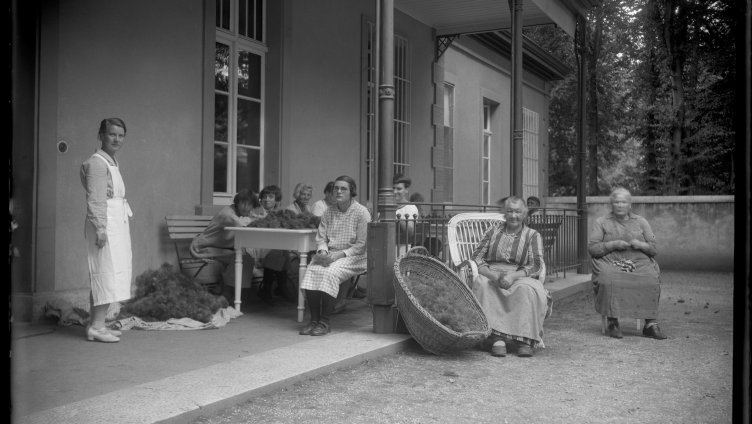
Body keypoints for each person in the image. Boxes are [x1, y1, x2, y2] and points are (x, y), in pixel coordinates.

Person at [470, 196, 552, 358]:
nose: (514, 216)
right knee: (483, 285)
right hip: (492, 271)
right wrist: (493, 276)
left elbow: (536, 264)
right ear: (504, 213)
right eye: (510, 211)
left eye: (518, 212)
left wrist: (513, 276)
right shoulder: (492, 231)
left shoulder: (532, 235)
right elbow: (477, 258)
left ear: (525, 213)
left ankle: (525, 340)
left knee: (528, 289)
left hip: (520, 274)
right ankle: (496, 339)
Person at [588, 187, 666, 340]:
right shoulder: (602, 222)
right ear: (612, 204)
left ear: (630, 205)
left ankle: (650, 324)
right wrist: (613, 244)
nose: (620, 205)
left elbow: (654, 248)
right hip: (610, 259)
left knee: (650, 278)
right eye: (616, 202)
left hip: (638, 259)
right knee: (609, 278)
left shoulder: (641, 221)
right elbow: (593, 249)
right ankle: (613, 322)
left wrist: (641, 245)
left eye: (624, 202)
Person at [80, 118, 133, 343]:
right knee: (103, 272)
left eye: (121, 135)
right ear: (101, 134)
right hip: (104, 223)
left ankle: (97, 324)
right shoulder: (96, 163)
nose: (117, 139)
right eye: (112, 134)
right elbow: (96, 199)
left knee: (109, 274)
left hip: (115, 221)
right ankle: (97, 327)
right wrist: (100, 228)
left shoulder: (111, 162)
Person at [298, 176, 370, 336]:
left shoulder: (361, 212)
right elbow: (322, 238)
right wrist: (323, 251)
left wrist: (338, 255)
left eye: (343, 188)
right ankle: (314, 321)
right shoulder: (329, 211)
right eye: (336, 188)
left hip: (355, 256)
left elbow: (361, 245)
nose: (338, 191)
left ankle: (324, 322)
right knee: (312, 270)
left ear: (352, 191)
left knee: (330, 273)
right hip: (331, 253)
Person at [190, 190, 260, 296]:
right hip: (202, 248)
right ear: (237, 203)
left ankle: (224, 289)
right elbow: (240, 224)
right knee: (243, 258)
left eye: (249, 204)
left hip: (219, 248)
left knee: (245, 256)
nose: (246, 207)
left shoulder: (240, 214)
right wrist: (254, 219)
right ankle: (229, 294)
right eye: (243, 203)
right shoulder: (227, 214)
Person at [254, 185, 294, 303]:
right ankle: (279, 287)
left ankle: (269, 288)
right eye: (264, 196)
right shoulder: (256, 211)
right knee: (277, 252)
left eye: (271, 197)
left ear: (276, 200)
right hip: (255, 245)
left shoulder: (279, 213)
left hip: (269, 247)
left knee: (281, 251)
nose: (267, 199)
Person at [393, 174, 419, 257]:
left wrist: (398, 218)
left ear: (406, 190)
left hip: (401, 249)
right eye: (393, 188)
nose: (395, 192)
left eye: (399, 189)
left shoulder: (410, 207)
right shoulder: (386, 205)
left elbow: (410, 232)